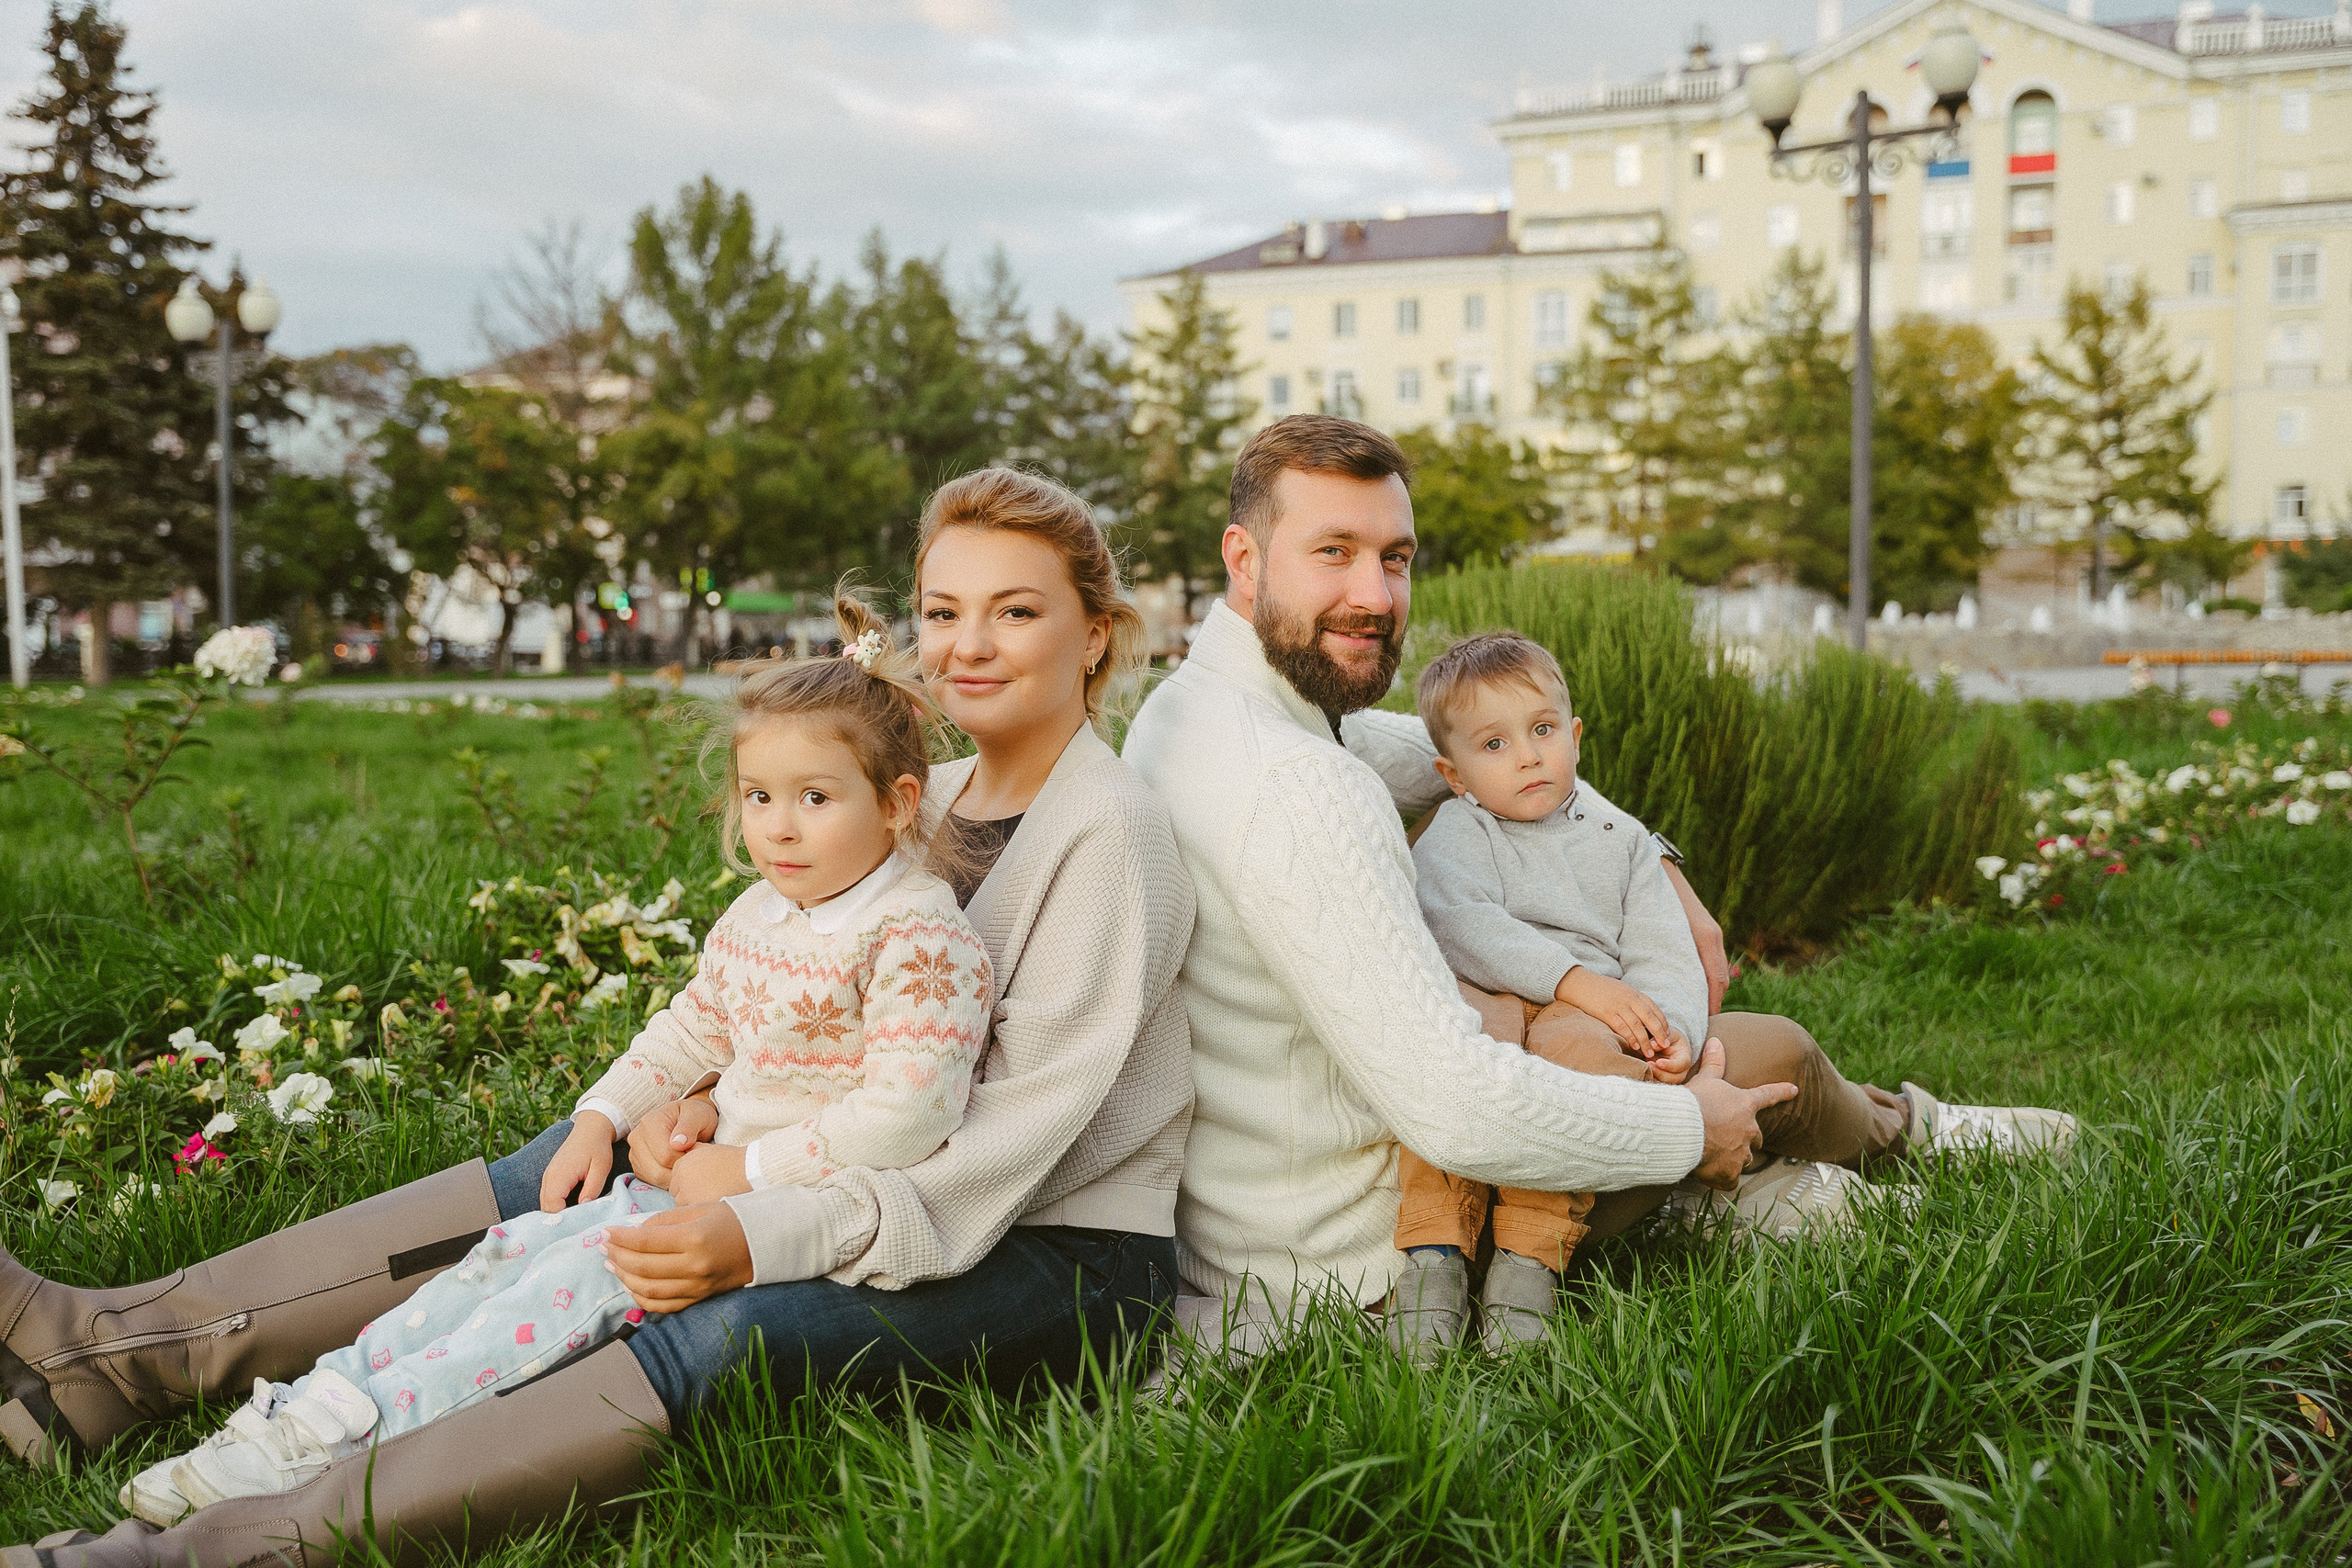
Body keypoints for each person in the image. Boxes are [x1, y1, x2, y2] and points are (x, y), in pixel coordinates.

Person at [0, 467, 1196, 1568]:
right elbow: (757, 992)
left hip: (1052, 1245)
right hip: (844, 1170)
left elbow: (998, 1152)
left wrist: (747, 1219)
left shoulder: (1108, 833)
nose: (969, 644)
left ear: (1095, 630)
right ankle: (110, 1351)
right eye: (944, 610)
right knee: (562, 1178)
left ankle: (196, 1552)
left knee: (731, 1323)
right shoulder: (910, 795)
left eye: (1016, 611)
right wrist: (675, 1107)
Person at [1120, 413, 2075, 1356]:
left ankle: (1843, 1151)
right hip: (1383, 1241)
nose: (1374, 592)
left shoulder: (1203, 711)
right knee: (1763, 1051)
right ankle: (1892, 1141)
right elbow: (1464, 1111)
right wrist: (1683, 1126)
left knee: (1661, 1054)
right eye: (1333, 551)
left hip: (1268, 1225)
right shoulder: (1303, 789)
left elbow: (1458, 752)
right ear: (1244, 560)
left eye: (1396, 557)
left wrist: (1652, 853)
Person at [114, 595, 997, 1527]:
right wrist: (600, 1118)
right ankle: (311, 1407)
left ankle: (345, 1448)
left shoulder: (917, 934)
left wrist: (745, 1169)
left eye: (815, 799)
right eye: (759, 797)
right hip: (695, 1184)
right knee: (503, 1260)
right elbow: (691, 1030)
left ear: (897, 803)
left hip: (791, 1217)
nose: (778, 828)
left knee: (548, 1304)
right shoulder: (762, 917)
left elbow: (908, 1114)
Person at [1397, 630, 1906, 1357]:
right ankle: (1435, 1255)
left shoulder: (1619, 837)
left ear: (1574, 735)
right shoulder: (1460, 829)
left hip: (1593, 1019)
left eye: (1543, 731)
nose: (1528, 756)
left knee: (1579, 1066)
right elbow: (1458, 920)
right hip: (1498, 1000)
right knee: (1465, 1061)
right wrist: (1578, 982)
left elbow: (1662, 947)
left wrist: (1674, 1034)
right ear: (1454, 774)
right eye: (1495, 745)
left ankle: (1529, 1260)